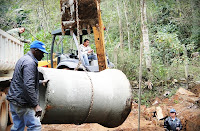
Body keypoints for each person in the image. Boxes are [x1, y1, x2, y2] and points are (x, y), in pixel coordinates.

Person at [7, 40, 49, 131]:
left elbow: (23, 80)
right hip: (23, 103)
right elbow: (28, 85)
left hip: (15, 100)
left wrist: (41, 82)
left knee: (18, 126)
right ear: (35, 50)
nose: (43, 55)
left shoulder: (24, 59)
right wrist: (35, 105)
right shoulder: (30, 63)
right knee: (35, 126)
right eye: (42, 53)